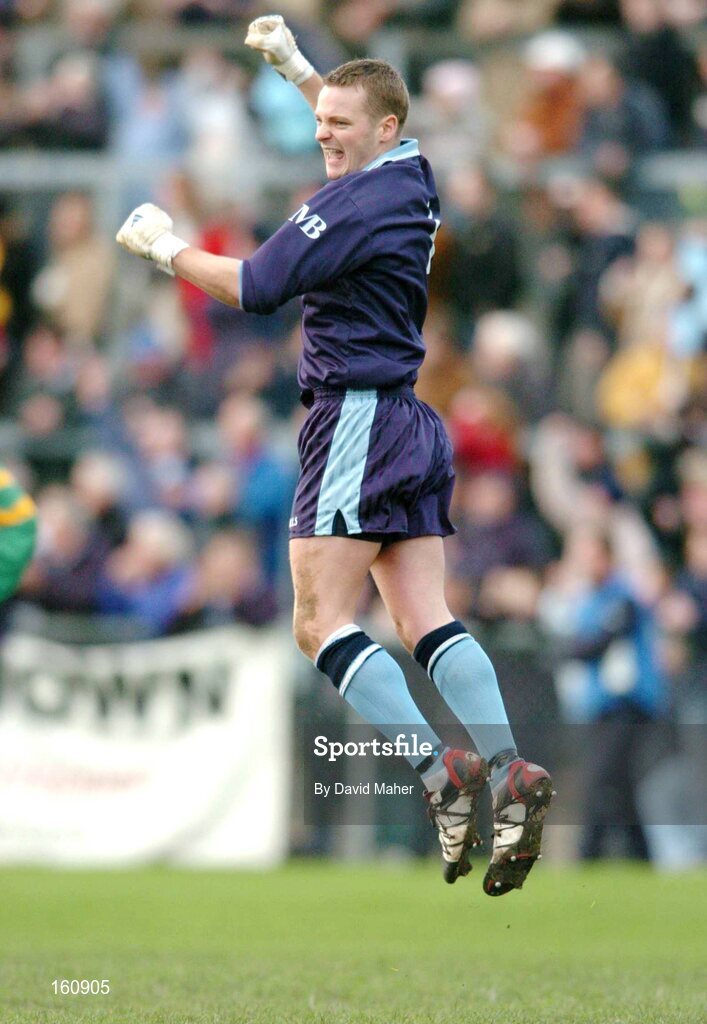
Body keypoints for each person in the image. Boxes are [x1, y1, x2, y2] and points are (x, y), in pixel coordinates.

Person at [115, 14, 554, 896]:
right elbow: (354, 114)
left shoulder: (341, 203)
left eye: (339, 128)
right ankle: (507, 767)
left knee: (318, 622)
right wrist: (298, 71)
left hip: (352, 418)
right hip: (409, 416)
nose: (325, 137)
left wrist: (163, 246)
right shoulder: (412, 173)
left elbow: (256, 287)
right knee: (422, 615)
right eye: (320, 126)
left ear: (383, 130)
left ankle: (441, 772)